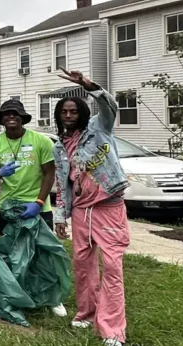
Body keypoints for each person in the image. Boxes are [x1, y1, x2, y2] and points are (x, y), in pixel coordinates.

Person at [52, 70, 130, 346]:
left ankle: (112, 329)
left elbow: (111, 106)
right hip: (80, 212)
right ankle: (86, 313)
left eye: (73, 111)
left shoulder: (99, 128)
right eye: (64, 112)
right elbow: (63, 185)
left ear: (82, 113)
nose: (69, 115)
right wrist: (60, 215)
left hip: (108, 206)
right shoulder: (59, 147)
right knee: (83, 265)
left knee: (111, 266)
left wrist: (87, 85)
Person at [0, 97, 65, 318]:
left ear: (22, 118)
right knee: (11, 253)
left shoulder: (41, 141)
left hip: (36, 205)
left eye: (15, 114)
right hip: (8, 207)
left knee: (42, 254)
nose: (10, 117)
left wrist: (38, 202)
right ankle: (16, 293)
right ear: (1, 119)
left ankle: (52, 298)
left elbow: (49, 173)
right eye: (6, 114)